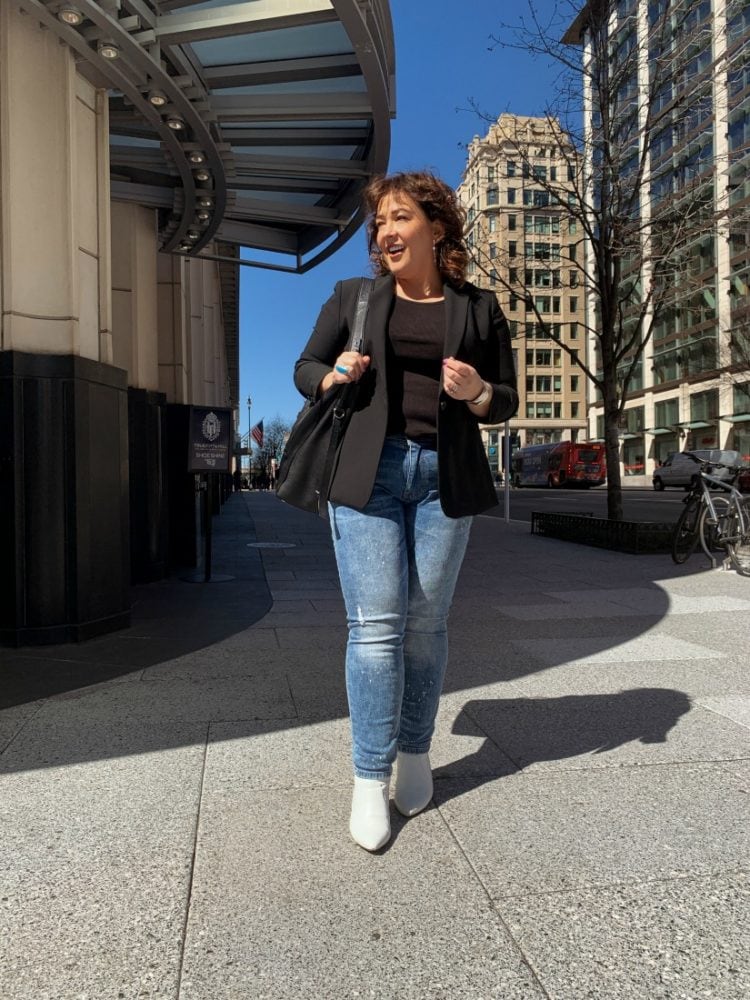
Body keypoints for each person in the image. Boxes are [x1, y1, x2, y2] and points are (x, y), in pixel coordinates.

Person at [293, 171, 519, 851]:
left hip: (444, 477)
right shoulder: (352, 298)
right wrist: (332, 374)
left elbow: (506, 399)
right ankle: (369, 778)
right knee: (375, 625)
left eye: (400, 219)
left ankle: (415, 754)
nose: (386, 232)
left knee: (426, 624)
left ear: (436, 227)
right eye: (378, 223)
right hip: (369, 474)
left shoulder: (479, 309)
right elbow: (306, 368)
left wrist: (479, 391)